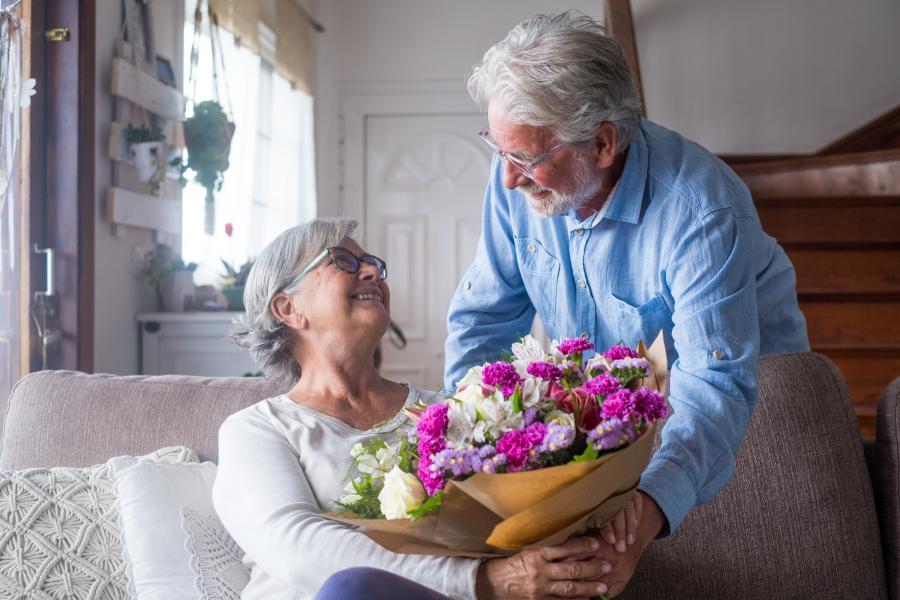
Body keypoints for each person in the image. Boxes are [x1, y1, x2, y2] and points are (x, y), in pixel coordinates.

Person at [443, 11, 810, 596]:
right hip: (626, 410)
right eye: (498, 150)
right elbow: (484, 318)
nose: (508, 180)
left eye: (527, 160)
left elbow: (716, 386)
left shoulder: (700, 209)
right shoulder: (515, 174)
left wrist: (640, 519)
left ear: (604, 142)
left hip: (747, 406)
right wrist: (465, 448)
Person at [213, 218, 621, 600]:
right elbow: (296, 546)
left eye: (374, 265)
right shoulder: (258, 429)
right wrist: (481, 582)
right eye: (345, 261)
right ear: (288, 309)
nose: (373, 272)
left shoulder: (456, 410)